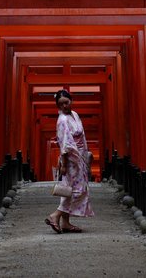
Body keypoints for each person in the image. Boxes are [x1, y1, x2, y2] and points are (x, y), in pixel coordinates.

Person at [45, 89, 94, 233]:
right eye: (61, 104)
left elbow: (82, 136)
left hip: (79, 157)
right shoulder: (62, 120)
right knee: (77, 190)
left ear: (71, 101)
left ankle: (65, 223)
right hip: (71, 159)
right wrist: (65, 164)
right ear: (58, 106)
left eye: (66, 102)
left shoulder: (75, 115)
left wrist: (85, 153)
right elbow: (65, 143)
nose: (65, 106)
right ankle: (56, 215)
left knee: (69, 190)